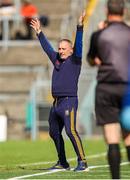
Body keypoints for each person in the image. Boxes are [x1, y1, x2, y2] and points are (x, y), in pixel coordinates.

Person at [30, 12, 89, 172]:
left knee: (71, 131)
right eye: (60, 48)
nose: (61, 51)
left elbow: (79, 43)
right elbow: (47, 48)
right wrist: (39, 33)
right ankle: (63, 162)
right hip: (56, 103)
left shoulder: (75, 60)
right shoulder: (56, 58)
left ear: (71, 50)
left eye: (64, 48)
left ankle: (82, 162)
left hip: (69, 101)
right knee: (53, 131)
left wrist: (79, 26)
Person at [87, 0, 130, 179]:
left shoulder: (99, 35)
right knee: (128, 137)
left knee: (112, 138)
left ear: (106, 11)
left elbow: (91, 60)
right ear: (124, 11)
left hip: (106, 88)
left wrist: (98, 60)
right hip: (128, 88)